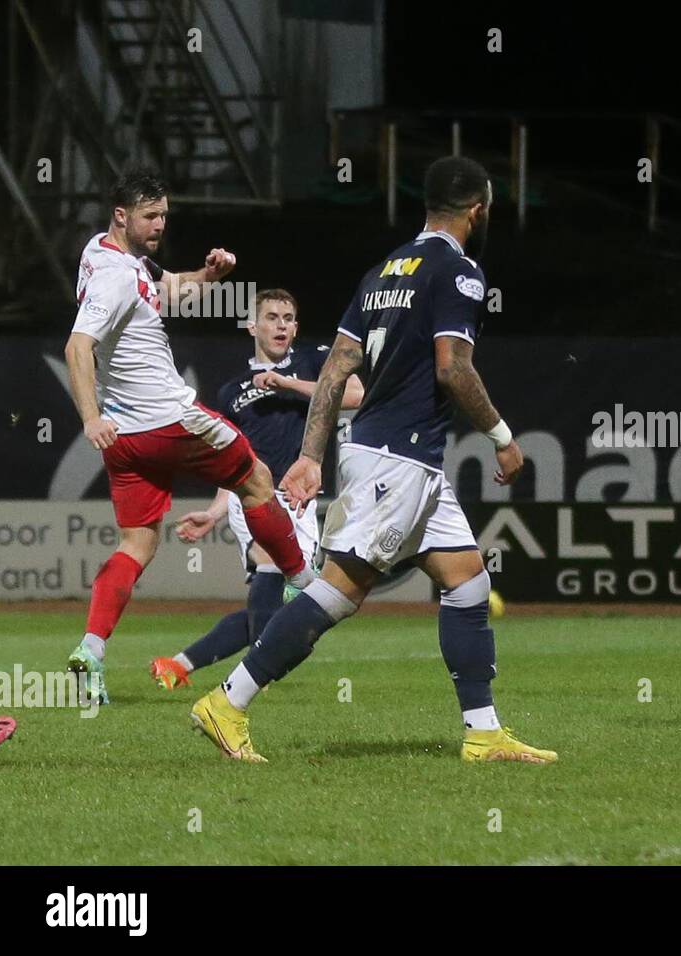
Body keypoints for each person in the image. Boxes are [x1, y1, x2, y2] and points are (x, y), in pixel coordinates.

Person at [189, 156, 556, 764]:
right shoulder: (460, 271)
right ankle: (227, 702)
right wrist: (502, 436)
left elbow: (335, 368)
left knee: (466, 581)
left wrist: (311, 456)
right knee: (339, 590)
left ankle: (484, 732)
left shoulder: (383, 270)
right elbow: (453, 367)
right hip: (398, 458)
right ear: (478, 208)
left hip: (394, 455)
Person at [64, 169, 313, 704]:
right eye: (151, 217)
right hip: (169, 420)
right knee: (258, 479)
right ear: (122, 216)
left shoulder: (104, 254)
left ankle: (91, 647)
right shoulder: (112, 278)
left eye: (164, 216)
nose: (159, 225)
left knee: (139, 542)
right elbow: (77, 346)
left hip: (128, 438)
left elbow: (161, 287)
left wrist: (205, 274)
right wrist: (88, 417)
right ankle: (301, 576)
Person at [150, 288, 364, 689]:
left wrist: (287, 383)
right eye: (271, 317)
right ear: (253, 325)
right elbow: (234, 462)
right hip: (254, 498)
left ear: (296, 326)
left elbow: (354, 394)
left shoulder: (313, 361)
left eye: (287, 317)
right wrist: (215, 511)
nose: (280, 324)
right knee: (267, 562)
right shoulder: (233, 391)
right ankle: (247, 687)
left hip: (301, 499)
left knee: (286, 606)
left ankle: (179, 665)